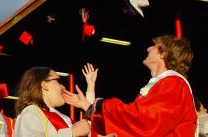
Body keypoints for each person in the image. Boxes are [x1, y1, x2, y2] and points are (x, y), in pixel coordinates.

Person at [64, 35, 197, 136]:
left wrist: (102, 105)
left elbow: (144, 121)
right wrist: (89, 108)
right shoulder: (163, 85)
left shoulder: (174, 83)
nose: (148, 48)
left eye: (154, 46)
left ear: (163, 54)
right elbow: (128, 126)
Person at [12, 67, 90, 137]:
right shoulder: (31, 112)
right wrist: (71, 133)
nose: (63, 87)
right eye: (58, 81)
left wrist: (85, 105)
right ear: (44, 85)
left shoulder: (64, 117)